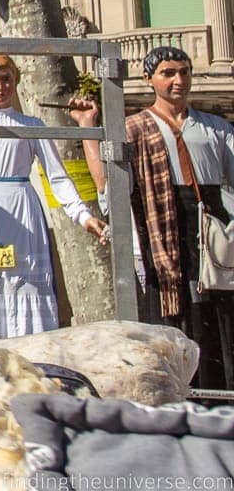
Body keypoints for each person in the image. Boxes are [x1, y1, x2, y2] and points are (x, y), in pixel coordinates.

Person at [72, 46, 234, 388]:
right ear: (148, 79)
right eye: (168, 73)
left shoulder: (215, 128)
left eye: (184, 72)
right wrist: (88, 128)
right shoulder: (133, 128)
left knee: (217, 319)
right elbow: (110, 187)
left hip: (210, 233)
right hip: (160, 238)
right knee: (174, 324)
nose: (179, 80)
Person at [0, 57, 106, 337]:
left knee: (26, 284)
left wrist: (83, 215)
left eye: (6, 79)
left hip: (22, 213)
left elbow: (57, 176)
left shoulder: (31, 125)